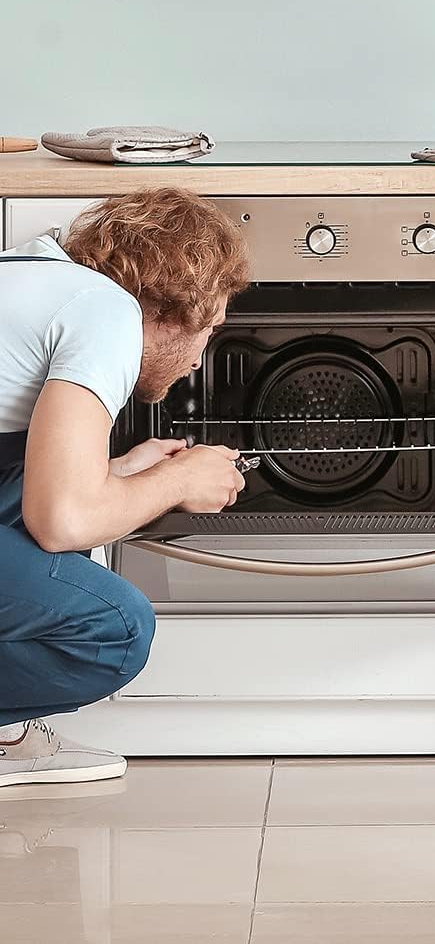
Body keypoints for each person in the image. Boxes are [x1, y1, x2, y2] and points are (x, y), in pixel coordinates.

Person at [0, 188, 250, 788]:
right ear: (165, 309)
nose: (198, 359)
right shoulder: (106, 311)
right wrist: (177, 479)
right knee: (115, 627)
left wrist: (123, 473)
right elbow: (61, 519)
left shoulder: (29, 275)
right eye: (207, 329)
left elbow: (37, 489)